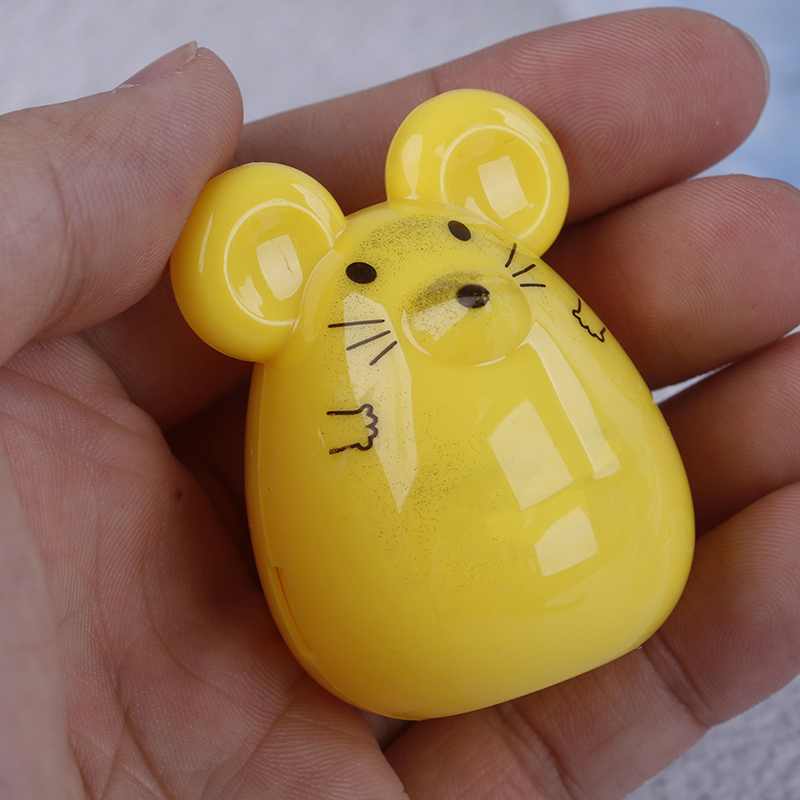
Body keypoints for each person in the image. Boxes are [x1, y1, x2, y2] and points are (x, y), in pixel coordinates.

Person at [2, 7, 799, 798]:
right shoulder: (313, 331)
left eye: (466, 244)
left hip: (623, 576)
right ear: (260, 287)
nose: (460, 292)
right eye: (364, 279)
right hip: (408, 643)